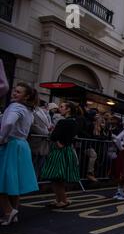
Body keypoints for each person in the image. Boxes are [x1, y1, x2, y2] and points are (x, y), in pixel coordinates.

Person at [0, 82, 39, 225]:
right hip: (22, 145)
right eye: (14, 91)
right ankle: (13, 213)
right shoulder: (29, 111)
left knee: (2, 181)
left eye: (18, 92)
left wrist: (1, 138)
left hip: (11, 144)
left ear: (26, 96)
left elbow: (9, 124)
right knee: (13, 182)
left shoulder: (15, 107)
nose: (14, 93)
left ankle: (9, 211)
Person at [40, 102, 80, 209]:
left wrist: (56, 139)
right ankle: (60, 199)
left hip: (59, 151)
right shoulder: (75, 122)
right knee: (59, 178)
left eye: (62, 107)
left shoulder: (63, 121)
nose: (60, 109)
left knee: (56, 177)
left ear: (68, 110)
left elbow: (54, 136)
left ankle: (62, 200)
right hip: (67, 150)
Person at [29, 100, 53, 179]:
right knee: (33, 163)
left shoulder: (46, 114)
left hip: (44, 142)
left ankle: (37, 181)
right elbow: (33, 126)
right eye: (46, 105)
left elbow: (49, 125)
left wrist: (50, 130)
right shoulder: (34, 112)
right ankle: (33, 181)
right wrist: (46, 132)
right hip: (35, 141)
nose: (47, 107)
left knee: (41, 163)